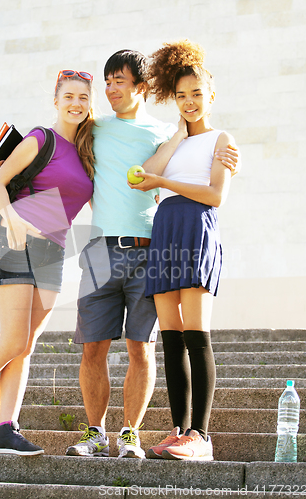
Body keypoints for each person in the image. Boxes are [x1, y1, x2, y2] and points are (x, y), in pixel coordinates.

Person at [65, 50, 239, 459]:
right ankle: (99, 434)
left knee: (143, 345)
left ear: (141, 87)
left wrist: (228, 157)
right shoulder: (92, 129)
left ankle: (136, 435)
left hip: (152, 248)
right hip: (100, 250)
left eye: (118, 81)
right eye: (106, 82)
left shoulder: (166, 133)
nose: (110, 89)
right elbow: (58, 157)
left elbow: (204, 173)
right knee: (95, 346)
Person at [0, 70, 95, 456]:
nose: (76, 103)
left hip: (53, 250)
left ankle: (6, 429)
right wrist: (10, 216)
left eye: (84, 97)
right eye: (69, 96)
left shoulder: (88, 151)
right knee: (12, 337)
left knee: (25, 345)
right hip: (16, 240)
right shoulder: (41, 138)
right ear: (56, 100)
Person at [128, 39, 239, 461]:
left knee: (196, 333)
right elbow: (142, 178)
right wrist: (175, 136)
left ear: (211, 95)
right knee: (170, 338)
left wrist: (166, 185)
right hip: (166, 233)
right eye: (181, 96)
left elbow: (215, 195)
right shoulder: (171, 141)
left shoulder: (221, 138)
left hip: (194, 228)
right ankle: (179, 431)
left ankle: (202, 436)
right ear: (173, 99)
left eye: (197, 94)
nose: (189, 102)